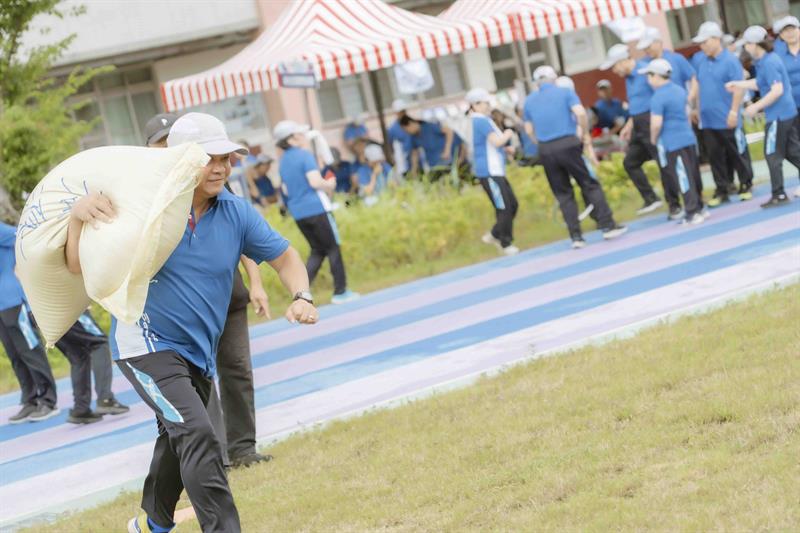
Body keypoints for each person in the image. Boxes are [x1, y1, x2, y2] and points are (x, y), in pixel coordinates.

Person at [67, 112, 318, 532]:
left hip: (197, 352)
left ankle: (152, 524)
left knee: (177, 436)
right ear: (182, 160)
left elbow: (285, 257)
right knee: (199, 433)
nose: (220, 166)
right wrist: (77, 218)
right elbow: (77, 266)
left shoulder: (236, 211)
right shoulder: (139, 207)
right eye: (208, 157)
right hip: (145, 345)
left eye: (226, 157)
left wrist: (302, 295)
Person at [144, 113, 273, 469]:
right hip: (182, 306)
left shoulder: (213, 182)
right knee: (199, 379)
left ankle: (243, 448)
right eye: (161, 142)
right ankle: (216, 458)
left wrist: (255, 282)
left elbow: (242, 232)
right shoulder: (148, 193)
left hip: (228, 298)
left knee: (237, 368)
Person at [523, 66, 627, 248]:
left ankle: (576, 237)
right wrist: (583, 133)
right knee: (589, 184)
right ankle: (607, 225)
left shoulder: (529, 101)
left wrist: (539, 142)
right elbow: (580, 113)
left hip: (546, 148)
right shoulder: (565, 92)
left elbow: (528, 129)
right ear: (554, 79)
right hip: (568, 142)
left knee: (563, 193)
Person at [275, 120, 360, 304]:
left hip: (299, 213)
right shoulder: (304, 156)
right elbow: (314, 182)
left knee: (318, 251)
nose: (302, 137)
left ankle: (300, 291)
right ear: (291, 139)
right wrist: (329, 184)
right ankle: (341, 291)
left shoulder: (282, 163)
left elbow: (286, 190)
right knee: (333, 247)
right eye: (298, 134)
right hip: (316, 208)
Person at [602, 43, 681, 219]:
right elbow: (636, 103)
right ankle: (651, 198)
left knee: (663, 163)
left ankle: (674, 204)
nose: (614, 71)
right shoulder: (628, 78)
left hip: (650, 121)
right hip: (637, 124)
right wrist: (629, 125)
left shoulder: (646, 72)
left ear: (623, 62)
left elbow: (662, 95)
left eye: (615, 67)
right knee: (630, 162)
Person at [727, 25, 800, 208]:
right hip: (784, 112)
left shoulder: (769, 62)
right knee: (792, 152)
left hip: (778, 115)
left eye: (747, 45)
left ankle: (779, 193)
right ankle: (778, 192)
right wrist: (739, 84)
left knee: (772, 154)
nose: (745, 48)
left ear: (755, 44)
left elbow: (776, 90)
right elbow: (761, 83)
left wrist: (755, 107)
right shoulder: (765, 61)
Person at [690, 21, 754, 206]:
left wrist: (734, 111)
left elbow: (738, 88)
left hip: (727, 116)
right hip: (707, 119)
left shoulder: (730, 60)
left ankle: (746, 184)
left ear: (716, 39)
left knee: (737, 151)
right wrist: (695, 107)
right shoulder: (699, 59)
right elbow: (699, 84)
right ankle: (722, 188)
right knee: (714, 156)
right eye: (700, 43)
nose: (702, 46)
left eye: (705, 42)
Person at [1, 222, 59, 423]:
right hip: (1, 307)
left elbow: (24, 235)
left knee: (29, 350)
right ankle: (30, 399)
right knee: (15, 355)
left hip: (13, 300)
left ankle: (48, 400)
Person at [644, 59, 705, 225]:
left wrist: (653, 139)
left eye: (649, 75)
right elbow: (686, 111)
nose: (648, 79)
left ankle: (692, 212)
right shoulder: (679, 90)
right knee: (693, 173)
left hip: (673, 141)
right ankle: (699, 206)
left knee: (683, 176)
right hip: (688, 137)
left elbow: (656, 123)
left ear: (657, 76)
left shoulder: (658, 97)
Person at [466, 88, 520, 256]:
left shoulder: (483, 120)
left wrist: (506, 149)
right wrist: (508, 133)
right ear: (475, 105)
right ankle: (505, 242)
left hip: (496, 170)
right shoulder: (480, 121)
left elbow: (491, 145)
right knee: (504, 207)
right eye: (485, 103)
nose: (488, 106)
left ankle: (495, 234)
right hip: (489, 171)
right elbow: (496, 141)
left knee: (512, 204)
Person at [399, 115, 461, 180]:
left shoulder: (429, 126)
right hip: (433, 166)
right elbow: (415, 154)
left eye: (406, 130)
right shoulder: (413, 137)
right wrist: (414, 171)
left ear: (410, 123)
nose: (407, 133)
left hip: (446, 162)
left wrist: (447, 150)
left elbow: (449, 131)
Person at [387, 99, 419, 176]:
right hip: (403, 162)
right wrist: (394, 161)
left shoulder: (413, 123)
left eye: (403, 111)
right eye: (400, 112)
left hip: (417, 159)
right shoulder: (392, 129)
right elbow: (390, 146)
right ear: (396, 113)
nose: (402, 114)